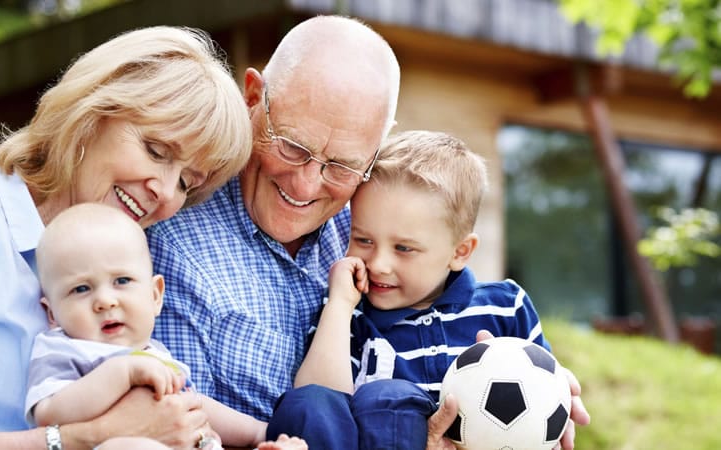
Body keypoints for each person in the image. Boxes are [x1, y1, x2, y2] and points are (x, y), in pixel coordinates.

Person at [145, 14, 589, 448]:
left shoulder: (375, 218)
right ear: (252, 96)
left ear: (376, 148)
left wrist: (529, 383)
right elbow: (178, 428)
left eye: (342, 165)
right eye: (292, 146)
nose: (306, 184)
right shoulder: (174, 239)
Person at [0, 26, 254, 450]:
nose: (165, 192)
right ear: (91, 115)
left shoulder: (132, 274)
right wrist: (85, 438)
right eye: (156, 150)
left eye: (186, 182)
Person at [268, 130, 568, 449]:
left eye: (404, 248)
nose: (379, 264)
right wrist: (340, 307)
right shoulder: (351, 316)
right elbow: (317, 405)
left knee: (391, 396)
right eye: (364, 240)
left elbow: (545, 398)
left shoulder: (506, 307)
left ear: (460, 252)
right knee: (369, 398)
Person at [27, 203, 308, 450]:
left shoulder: (156, 353)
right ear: (52, 313)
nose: (105, 300)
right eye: (81, 289)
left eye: (122, 281)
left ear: (155, 296)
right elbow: (49, 413)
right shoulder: (63, 349)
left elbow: (195, 406)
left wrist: (258, 432)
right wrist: (122, 372)